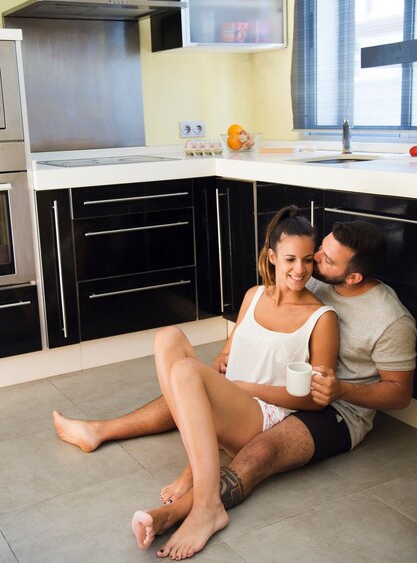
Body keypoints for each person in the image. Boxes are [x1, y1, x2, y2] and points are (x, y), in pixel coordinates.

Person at [53, 218, 416, 558]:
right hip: (286, 387)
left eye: (320, 258)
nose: (311, 263)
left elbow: (398, 394)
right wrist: (226, 358)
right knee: (179, 360)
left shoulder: (388, 320)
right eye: (315, 251)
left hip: (338, 407)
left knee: (259, 451)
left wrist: (339, 391)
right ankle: (100, 430)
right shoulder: (309, 277)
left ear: (352, 277)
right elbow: (257, 320)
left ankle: (194, 508)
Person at [129, 206, 338, 558]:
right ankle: (197, 466)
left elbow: (317, 400)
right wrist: (222, 363)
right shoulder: (252, 296)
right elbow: (231, 351)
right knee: (167, 338)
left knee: (185, 372)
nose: (299, 269)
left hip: (264, 415)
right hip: (233, 400)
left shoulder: (322, 317)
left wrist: (242, 388)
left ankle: (208, 505)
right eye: (289, 259)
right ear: (272, 257)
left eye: (307, 260)